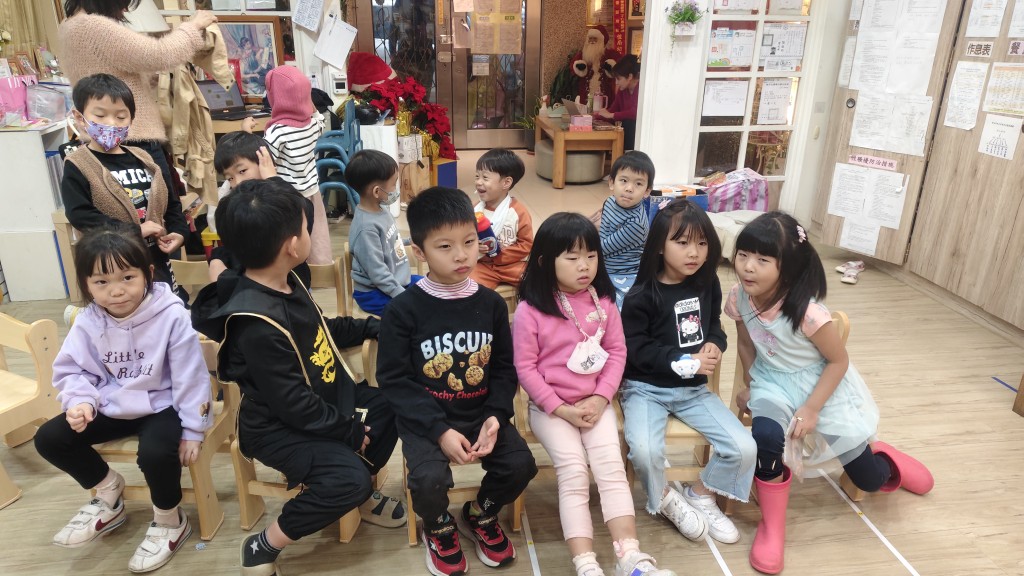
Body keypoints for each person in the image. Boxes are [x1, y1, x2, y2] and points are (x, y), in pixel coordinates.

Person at [190, 179, 405, 576]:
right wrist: (348, 432)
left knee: (392, 404)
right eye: (307, 228)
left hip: (322, 403)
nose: (309, 234)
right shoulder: (256, 324)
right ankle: (265, 543)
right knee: (350, 480)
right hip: (278, 429)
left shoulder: (289, 279)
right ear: (292, 245)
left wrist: (375, 327)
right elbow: (293, 405)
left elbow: (320, 330)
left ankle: (352, 486)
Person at [728, 211, 934, 574]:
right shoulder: (738, 297)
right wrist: (750, 385)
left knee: (868, 480)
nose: (747, 266)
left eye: (762, 260)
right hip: (772, 383)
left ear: (787, 267)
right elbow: (746, 344)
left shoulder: (808, 313)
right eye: (743, 255)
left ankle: (884, 458)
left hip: (821, 386)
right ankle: (773, 526)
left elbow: (838, 362)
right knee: (766, 437)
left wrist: (811, 408)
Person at [377, 187, 537, 576]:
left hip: (481, 413)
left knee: (520, 465)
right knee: (428, 479)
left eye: (468, 242)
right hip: (427, 421)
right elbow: (394, 379)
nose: (462, 255)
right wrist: (439, 431)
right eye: (445, 247)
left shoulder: (492, 304)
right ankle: (438, 526)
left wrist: (496, 416)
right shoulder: (403, 310)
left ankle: (480, 513)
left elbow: (504, 368)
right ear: (420, 252)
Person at [34, 222, 211, 573]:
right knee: (50, 438)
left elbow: (191, 376)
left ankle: (170, 520)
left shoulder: (172, 315)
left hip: (162, 403)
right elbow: (74, 370)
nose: (116, 291)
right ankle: (108, 490)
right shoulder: (89, 320)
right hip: (112, 401)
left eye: (127, 278)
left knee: (156, 454)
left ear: (148, 274)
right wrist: (81, 402)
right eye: (101, 282)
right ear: (86, 285)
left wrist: (193, 429)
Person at [513, 213, 676, 576]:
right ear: (545, 261)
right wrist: (560, 408)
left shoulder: (604, 301)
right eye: (572, 257)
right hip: (551, 410)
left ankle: (629, 555)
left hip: (596, 405)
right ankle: (585, 562)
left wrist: (602, 398)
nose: (584, 265)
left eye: (591, 255)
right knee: (573, 472)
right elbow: (525, 368)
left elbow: (617, 352)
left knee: (611, 469)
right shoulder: (530, 310)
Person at [620, 199, 756, 546]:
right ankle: (665, 498)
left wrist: (714, 344)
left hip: (694, 391)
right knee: (645, 451)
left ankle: (701, 493)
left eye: (702, 243)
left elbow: (715, 328)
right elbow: (636, 349)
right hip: (644, 388)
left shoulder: (707, 284)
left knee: (744, 447)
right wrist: (682, 360)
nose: (693, 252)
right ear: (659, 246)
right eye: (682, 242)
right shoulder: (641, 295)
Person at [59, 0, 218, 197]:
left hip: (106, 136)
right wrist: (193, 26)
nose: (125, 9)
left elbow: (112, 70)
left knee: (131, 204)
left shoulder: (68, 26)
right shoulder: (94, 27)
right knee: (161, 204)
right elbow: (160, 54)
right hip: (132, 137)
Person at [62, 73, 188, 301]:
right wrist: (134, 230)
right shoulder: (78, 164)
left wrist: (179, 231)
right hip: (113, 268)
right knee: (125, 313)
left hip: (155, 260)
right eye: (100, 115)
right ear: (80, 118)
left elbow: (170, 201)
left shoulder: (144, 158)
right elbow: (80, 215)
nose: (112, 123)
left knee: (162, 309)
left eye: (121, 117)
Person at [207, 128, 313, 286]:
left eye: (242, 171)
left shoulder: (284, 201)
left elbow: (305, 213)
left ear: (265, 162)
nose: (237, 182)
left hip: (290, 285)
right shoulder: (236, 207)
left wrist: (273, 179)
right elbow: (234, 245)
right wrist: (217, 257)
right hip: (251, 288)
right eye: (229, 178)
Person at [263, 65, 333, 265]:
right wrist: (308, 103)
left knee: (291, 239)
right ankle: (320, 266)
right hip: (312, 190)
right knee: (315, 232)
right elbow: (319, 118)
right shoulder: (312, 124)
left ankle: (295, 273)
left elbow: (265, 159)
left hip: (289, 197)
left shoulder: (277, 131)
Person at [346, 149, 423, 315]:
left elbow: (390, 241)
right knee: (417, 312)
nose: (396, 189)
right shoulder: (366, 229)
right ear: (376, 191)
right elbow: (378, 273)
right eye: (393, 184)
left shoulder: (381, 210)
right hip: (374, 293)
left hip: (395, 281)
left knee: (431, 288)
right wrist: (402, 296)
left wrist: (409, 240)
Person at [469, 148, 533, 290]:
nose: (479, 182)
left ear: (506, 183)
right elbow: (464, 238)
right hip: (482, 265)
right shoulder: (473, 210)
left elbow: (526, 244)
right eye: (477, 176)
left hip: (512, 265)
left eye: (485, 178)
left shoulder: (518, 212)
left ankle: (527, 305)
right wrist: (475, 246)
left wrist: (499, 255)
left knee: (537, 281)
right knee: (469, 287)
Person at [599, 151, 655, 308]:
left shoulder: (636, 224)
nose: (629, 188)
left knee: (617, 310)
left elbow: (603, 249)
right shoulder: (610, 202)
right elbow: (603, 233)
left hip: (624, 274)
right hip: (602, 264)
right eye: (623, 180)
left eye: (638, 184)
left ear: (647, 191)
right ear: (611, 183)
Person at [595, 55, 640, 150]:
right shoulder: (622, 90)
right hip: (628, 134)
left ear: (630, 76)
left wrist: (611, 115)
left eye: (618, 79)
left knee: (629, 123)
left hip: (638, 135)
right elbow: (612, 110)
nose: (616, 83)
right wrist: (594, 117)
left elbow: (636, 113)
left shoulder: (642, 88)